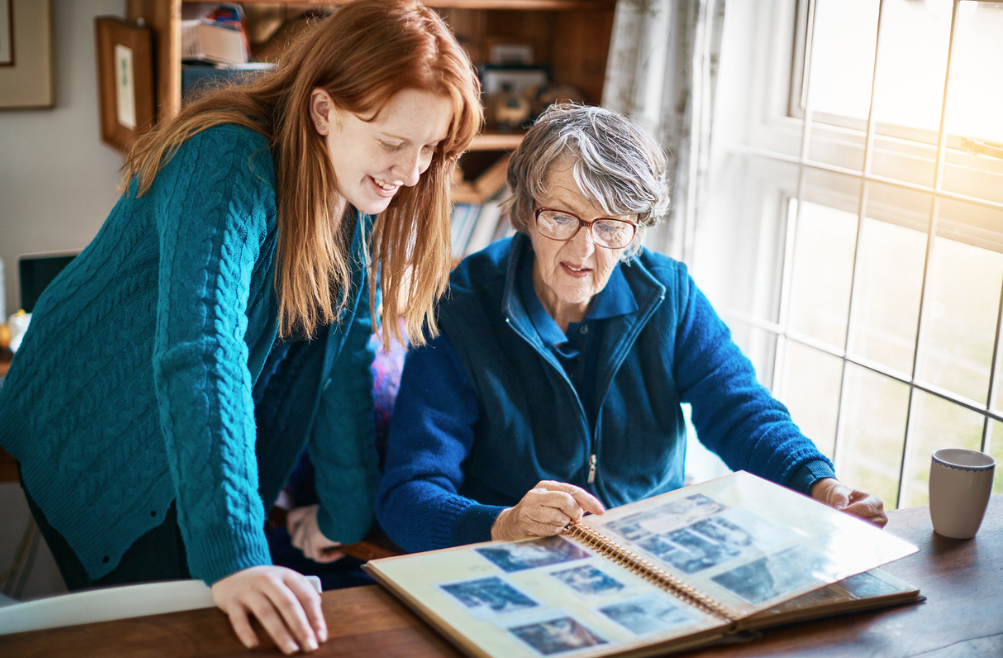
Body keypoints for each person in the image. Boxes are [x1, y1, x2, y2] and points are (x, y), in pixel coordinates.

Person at [0, 0, 480, 656]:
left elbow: (341, 356)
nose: (412, 171)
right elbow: (203, 347)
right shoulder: (226, 159)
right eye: (394, 142)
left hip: (180, 425)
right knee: (173, 650)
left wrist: (343, 512)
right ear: (324, 110)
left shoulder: (349, 190)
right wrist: (236, 557)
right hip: (92, 426)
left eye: (429, 148)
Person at [375, 104, 887, 555]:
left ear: (636, 230)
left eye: (610, 226)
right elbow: (407, 497)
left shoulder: (668, 294)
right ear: (527, 212)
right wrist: (503, 523)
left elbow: (740, 411)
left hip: (647, 550)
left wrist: (819, 483)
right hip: (516, 557)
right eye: (561, 217)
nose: (583, 252)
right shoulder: (459, 307)